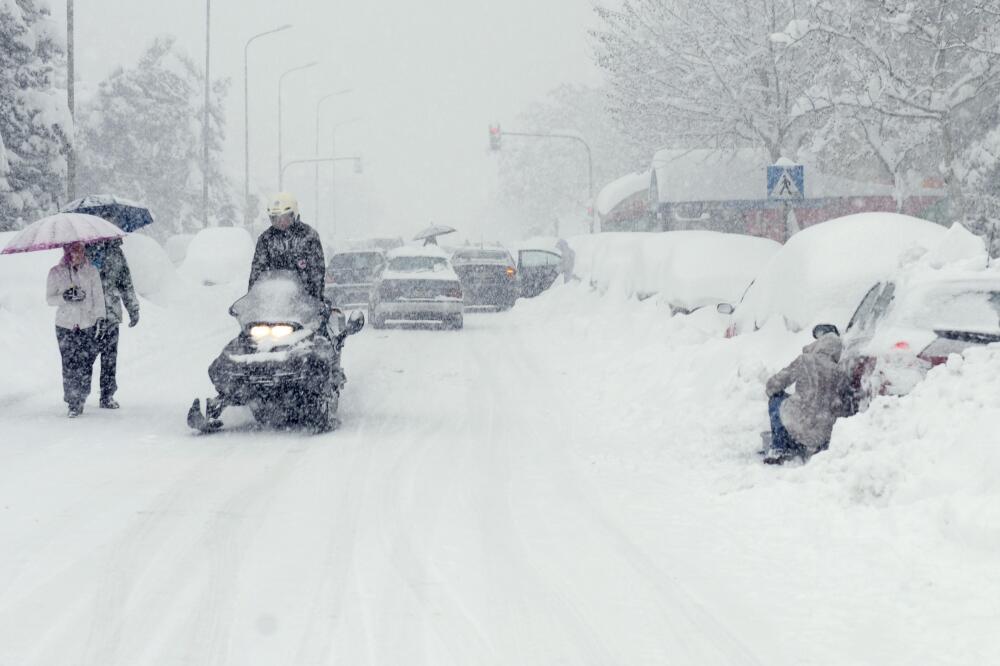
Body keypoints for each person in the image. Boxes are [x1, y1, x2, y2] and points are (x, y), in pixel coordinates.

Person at [762, 332, 852, 464]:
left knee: (776, 399)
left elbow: (775, 383)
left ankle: (779, 448)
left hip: (796, 426)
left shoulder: (805, 360)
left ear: (820, 344)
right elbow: (840, 408)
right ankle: (814, 448)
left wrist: (771, 391)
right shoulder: (841, 374)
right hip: (821, 436)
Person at [46, 242, 105, 417]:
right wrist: (65, 297)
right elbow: (49, 299)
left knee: (85, 363)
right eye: (71, 250)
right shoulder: (55, 272)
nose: (75, 253)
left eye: (78, 249)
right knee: (69, 364)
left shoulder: (91, 271)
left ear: (83, 250)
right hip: (65, 325)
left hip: (87, 323)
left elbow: (98, 297)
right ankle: (73, 401)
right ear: (65, 251)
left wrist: (99, 318)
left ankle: (82, 395)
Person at [86, 238, 140, 409]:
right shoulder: (84, 250)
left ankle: (107, 395)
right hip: (88, 314)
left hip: (111, 313)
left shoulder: (116, 253)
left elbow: (126, 283)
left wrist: (133, 308)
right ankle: (78, 396)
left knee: (109, 358)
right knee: (85, 358)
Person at [249, 192, 326, 301]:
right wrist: (252, 301)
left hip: (303, 304)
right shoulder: (266, 239)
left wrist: (315, 301)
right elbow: (256, 273)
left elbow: (317, 273)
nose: (279, 222)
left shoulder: (308, 236)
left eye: (283, 217)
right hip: (272, 304)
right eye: (274, 218)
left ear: (293, 215)